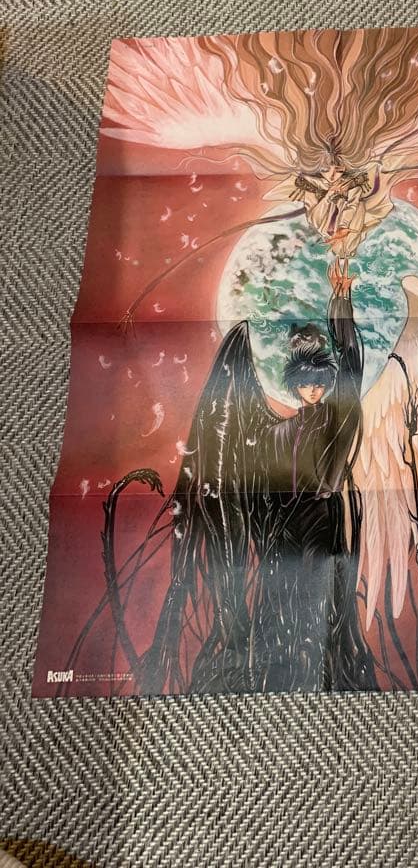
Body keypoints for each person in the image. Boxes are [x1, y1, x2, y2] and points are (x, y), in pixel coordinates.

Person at [141, 259, 376, 695]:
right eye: (305, 383)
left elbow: (351, 364)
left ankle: (320, 670)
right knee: (276, 601)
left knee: (316, 598)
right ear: (293, 384)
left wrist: (341, 301)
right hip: (278, 523)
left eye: (319, 383)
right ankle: (273, 671)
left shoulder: (335, 418)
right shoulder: (276, 430)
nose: (313, 390)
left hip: (319, 517)